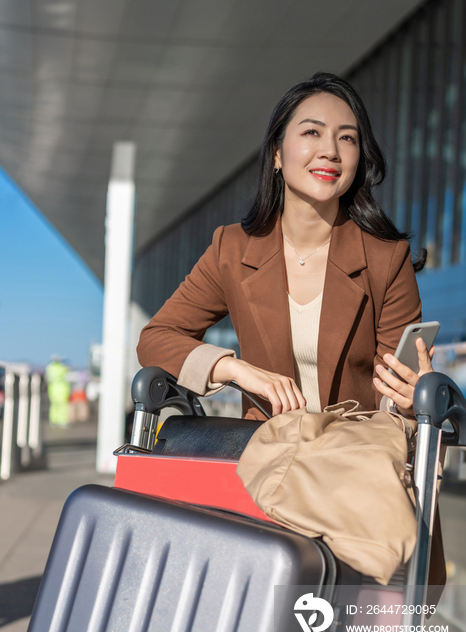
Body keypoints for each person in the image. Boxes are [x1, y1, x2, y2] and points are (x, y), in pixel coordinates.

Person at [137, 72, 444, 587]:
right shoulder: (231, 249)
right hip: (270, 473)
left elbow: (396, 392)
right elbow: (157, 337)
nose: (331, 150)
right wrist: (233, 369)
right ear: (277, 153)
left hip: (356, 478)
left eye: (347, 138)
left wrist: (411, 398)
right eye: (312, 132)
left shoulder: (386, 259)